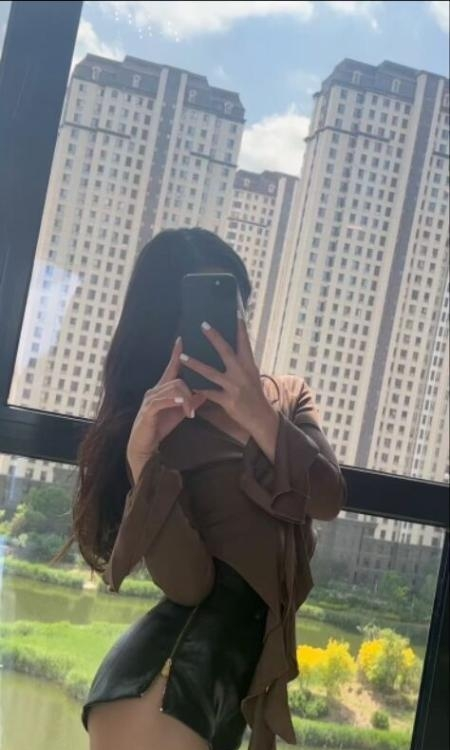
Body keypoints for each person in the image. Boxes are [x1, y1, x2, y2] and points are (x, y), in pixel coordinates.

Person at [52, 228, 347, 750]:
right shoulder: (164, 426)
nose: (227, 324)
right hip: (163, 691)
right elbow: (188, 586)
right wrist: (143, 461)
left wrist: (259, 414)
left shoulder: (287, 398)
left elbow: (327, 498)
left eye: (236, 305)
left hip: (230, 693)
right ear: (170, 323)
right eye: (200, 312)